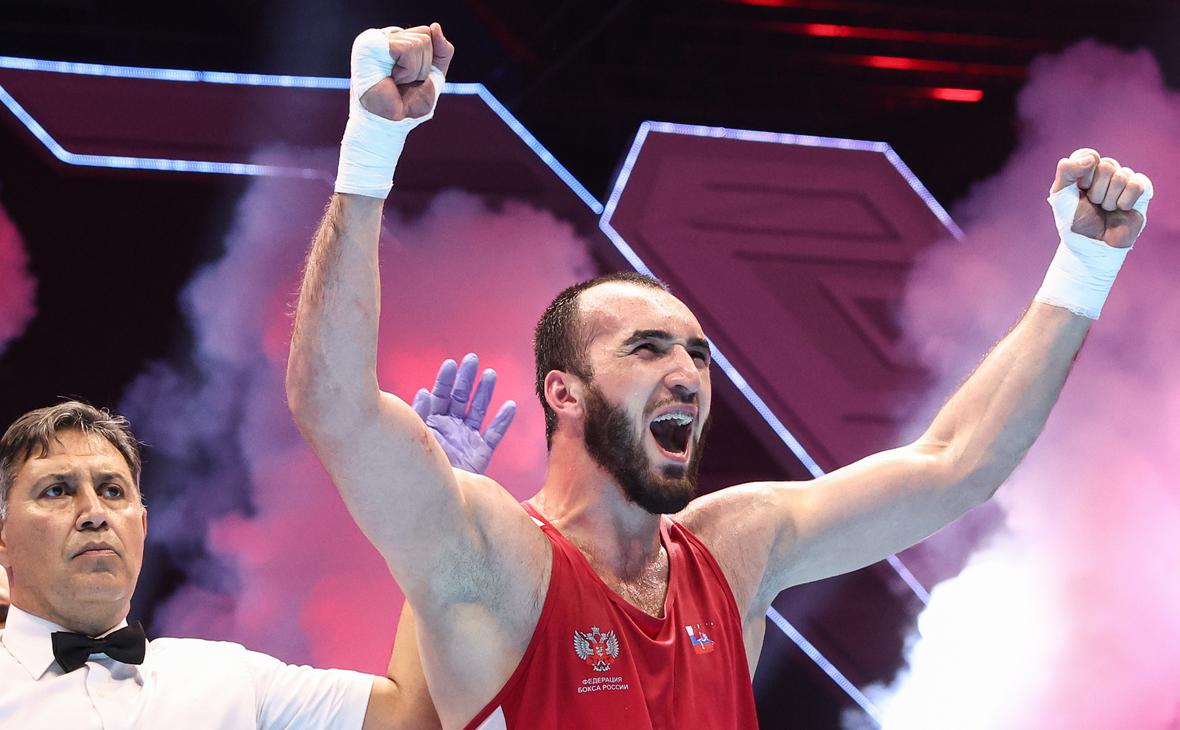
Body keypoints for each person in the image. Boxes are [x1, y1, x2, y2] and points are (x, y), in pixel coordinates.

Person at [286, 22, 1154, 729]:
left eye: (697, 354)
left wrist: (1082, 269)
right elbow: (334, 406)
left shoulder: (736, 548)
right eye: (647, 349)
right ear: (564, 392)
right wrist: (372, 149)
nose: (687, 375)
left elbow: (954, 464)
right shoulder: (495, 555)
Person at [0, 400, 443, 728]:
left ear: (143, 525)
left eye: (112, 491)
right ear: (3, 537)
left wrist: (435, 504)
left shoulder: (229, 677)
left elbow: (407, 717)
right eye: (57, 490)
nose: (95, 513)